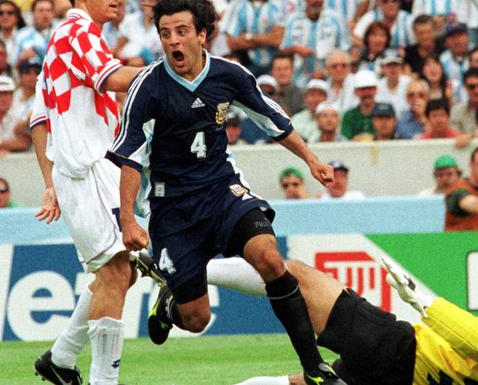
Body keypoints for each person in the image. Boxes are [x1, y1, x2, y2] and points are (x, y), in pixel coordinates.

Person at [106, 1, 344, 384]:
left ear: (202, 34)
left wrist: (312, 160)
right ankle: (170, 305)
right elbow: (130, 157)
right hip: (173, 208)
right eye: (165, 33)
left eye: (181, 31)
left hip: (221, 189)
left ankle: (314, 366)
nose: (173, 42)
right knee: (197, 319)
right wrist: (129, 220)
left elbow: (271, 118)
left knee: (269, 258)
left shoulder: (229, 75)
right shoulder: (147, 87)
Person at [203, 255, 478, 385]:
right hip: (396, 375)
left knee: (297, 276)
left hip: (397, 350)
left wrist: (425, 303)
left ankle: (189, 272)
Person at [28, 0, 145, 382]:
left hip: (90, 169)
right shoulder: (78, 33)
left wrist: (50, 183)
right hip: (87, 167)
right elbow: (111, 77)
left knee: (122, 271)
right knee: (116, 270)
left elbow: (40, 119)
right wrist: (171, 72)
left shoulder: (66, 41)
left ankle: (60, 359)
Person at [341, 69, 378, 140]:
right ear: (355, 92)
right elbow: (345, 139)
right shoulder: (349, 115)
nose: (367, 92)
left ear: (375, 90)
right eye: (363, 89)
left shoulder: (384, 112)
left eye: (369, 88)